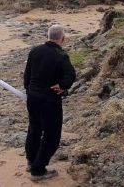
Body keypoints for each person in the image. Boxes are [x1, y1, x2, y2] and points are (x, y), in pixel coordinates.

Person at [23, 24, 76, 181]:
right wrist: (63, 87)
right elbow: (71, 75)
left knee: (34, 129)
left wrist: (29, 90)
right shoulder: (61, 56)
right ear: (63, 39)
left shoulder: (35, 51)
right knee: (52, 135)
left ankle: (31, 161)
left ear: (47, 36)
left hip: (32, 97)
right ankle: (38, 170)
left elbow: (27, 75)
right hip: (49, 99)